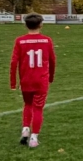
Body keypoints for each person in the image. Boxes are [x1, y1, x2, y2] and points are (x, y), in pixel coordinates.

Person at [10, 14, 56, 149]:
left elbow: (14, 62)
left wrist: (13, 82)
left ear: (25, 25)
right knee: (38, 108)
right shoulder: (47, 40)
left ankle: (25, 129)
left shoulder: (20, 41)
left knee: (28, 104)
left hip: (26, 79)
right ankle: (34, 138)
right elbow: (52, 60)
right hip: (41, 80)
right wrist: (51, 77)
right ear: (41, 25)